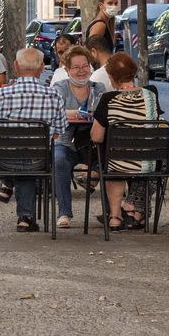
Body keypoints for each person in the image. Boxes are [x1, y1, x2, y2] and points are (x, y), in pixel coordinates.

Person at [0, 48, 66, 232]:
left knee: (18, 159)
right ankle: (25, 217)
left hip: (3, 161)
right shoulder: (54, 96)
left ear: (15, 66)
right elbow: (59, 132)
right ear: (41, 68)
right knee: (28, 162)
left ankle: (21, 208)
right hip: (38, 161)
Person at [90, 53, 162, 231]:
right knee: (130, 152)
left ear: (111, 76)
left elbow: (96, 136)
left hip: (119, 163)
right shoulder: (151, 94)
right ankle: (138, 214)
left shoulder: (108, 99)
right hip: (150, 162)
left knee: (110, 155)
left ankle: (115, 217)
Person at [52, 46, 107, 228]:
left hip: (92, 143)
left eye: (85, 66)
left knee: (108, 160)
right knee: (59, 160)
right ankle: (64, 212)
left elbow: (104, 114)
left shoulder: (99, 88)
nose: (82, 70)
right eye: (76, 67)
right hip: (65, 142)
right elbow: (53, 113)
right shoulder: (59, 88)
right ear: (67, 70)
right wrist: (75, 113)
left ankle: (111, 212)